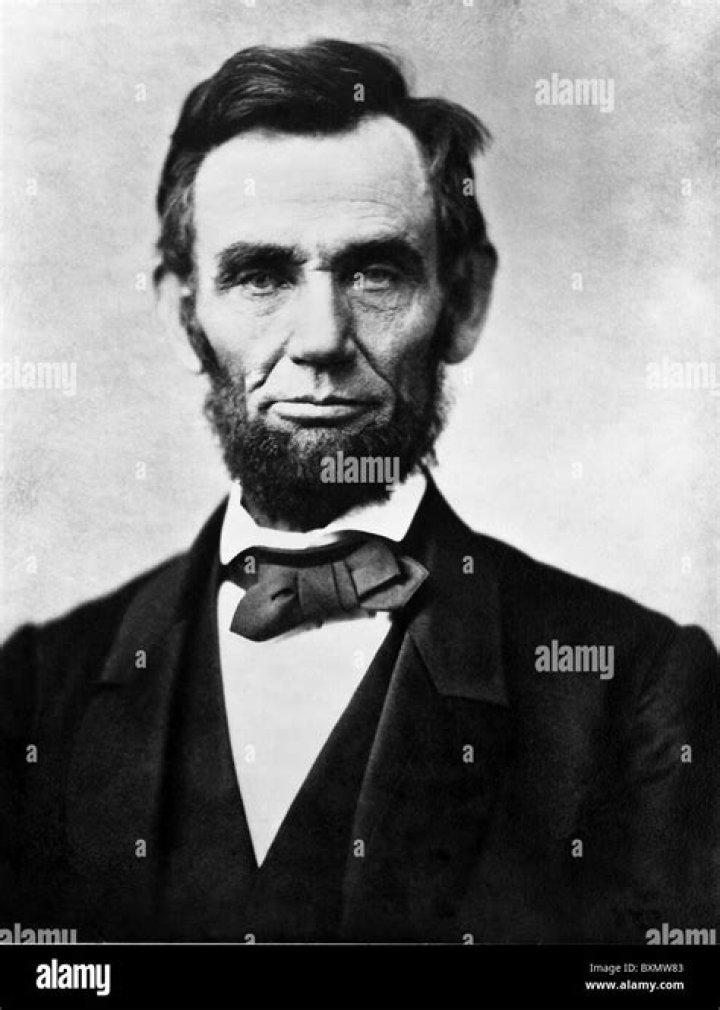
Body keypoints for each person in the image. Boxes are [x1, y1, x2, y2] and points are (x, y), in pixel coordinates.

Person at [1, 39, 718, 943]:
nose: (320, 339)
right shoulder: (38, 690)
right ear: (182, 313)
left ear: (463, 302)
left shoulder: (636, 688)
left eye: (375, 273)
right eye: (260, 276)